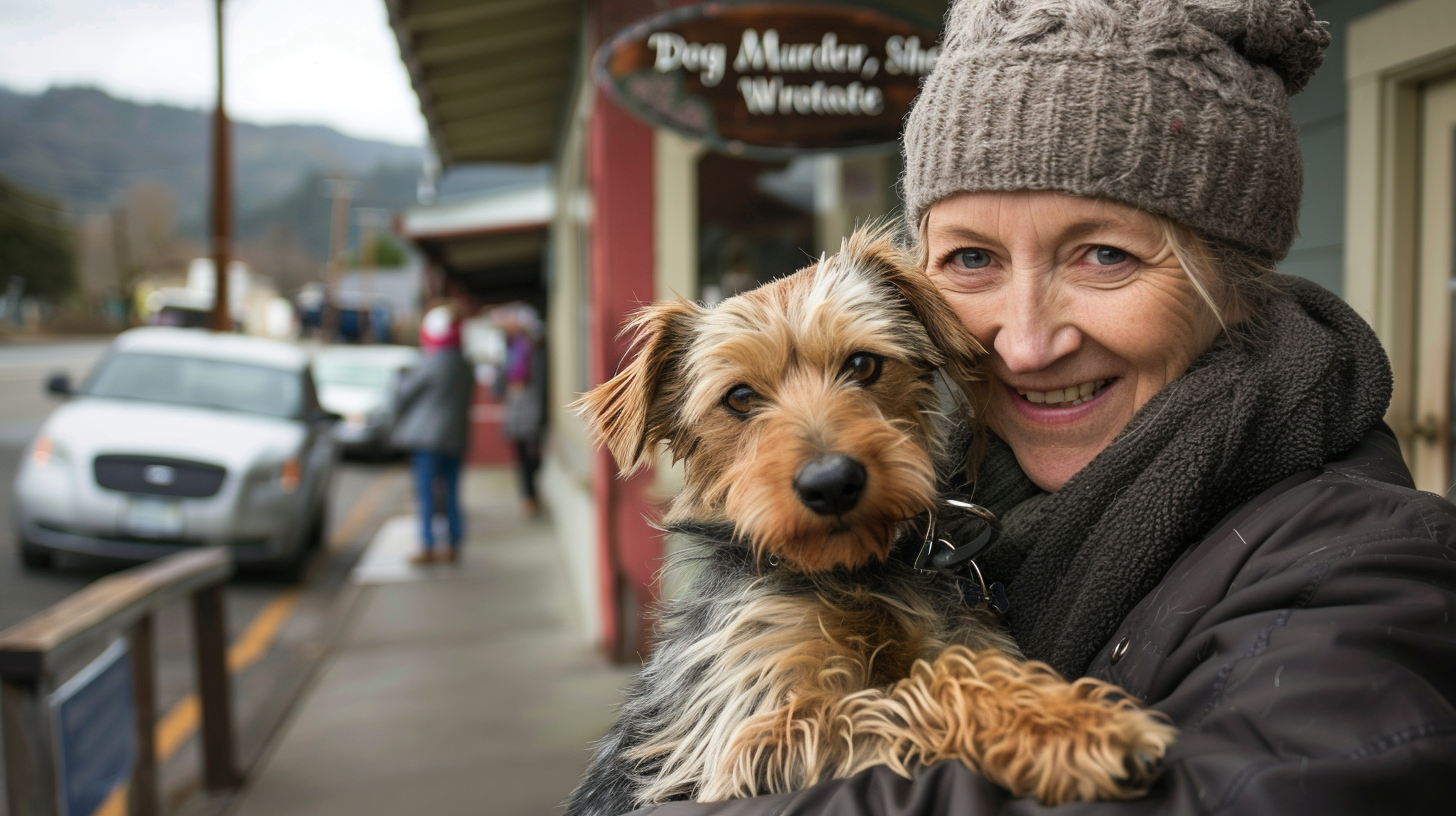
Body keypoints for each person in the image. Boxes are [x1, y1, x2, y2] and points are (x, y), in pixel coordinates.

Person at [634, 0, 1456, 813]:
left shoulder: (1364, 572)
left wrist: (988, 711)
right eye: (971, 257)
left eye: (1105, 255)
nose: (1023, 344)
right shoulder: (955, 502)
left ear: (1234, 286)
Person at [392, 304, 475, 564]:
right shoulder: (464, 364)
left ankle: (428, 545)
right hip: (457, 438)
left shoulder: (431, 362)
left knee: (427, 494)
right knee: (451, 493)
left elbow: (404, 395)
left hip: (428, 440)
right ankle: (453, 544)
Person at [496, 305, 547, 518]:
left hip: (532, 409)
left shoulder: (535, 349)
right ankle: (528, 497)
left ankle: (531, 496)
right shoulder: (512, 348)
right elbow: (500, 382)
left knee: (533, 457)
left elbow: (543, 383)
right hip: (517, 410)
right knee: (521, 457)